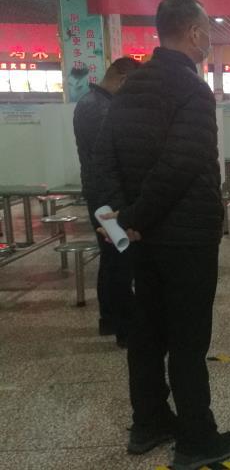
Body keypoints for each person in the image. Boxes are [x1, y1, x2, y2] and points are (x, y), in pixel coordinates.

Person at [91, 0, 230, 468]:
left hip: (142, 240)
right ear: (194, 32)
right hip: (186, 238)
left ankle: (149, 421)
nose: (208, 40)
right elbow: (182, 164)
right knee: (188, 339)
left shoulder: (129, 87)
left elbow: (102, 161)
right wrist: (135, 218)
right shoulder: (193, 90)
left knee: (148, 332)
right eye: (207, 31)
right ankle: (197, 439)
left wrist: (121, 221)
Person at [73, 56, 140, 347]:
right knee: (120, 261)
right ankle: (125, 329)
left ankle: (110, 319)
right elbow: (112, 159)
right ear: (123, 80)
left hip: (102, 194)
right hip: (107, 199)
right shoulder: (99, 109)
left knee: (112, 258)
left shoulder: (94, 103)